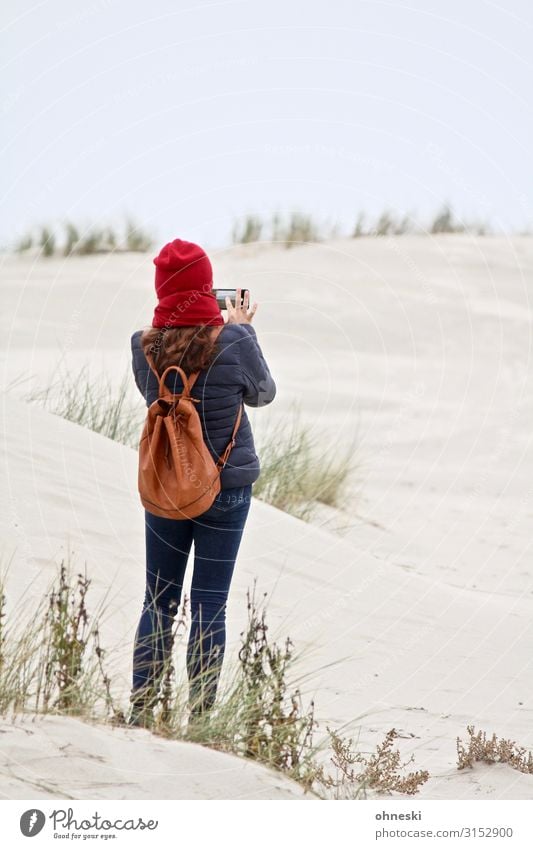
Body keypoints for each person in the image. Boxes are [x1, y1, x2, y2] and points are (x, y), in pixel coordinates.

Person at [128, 238, 276, 729]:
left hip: (167, 485)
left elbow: (156, 390)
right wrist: (244, 331)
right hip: (227, 489)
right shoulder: (233, 342)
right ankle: (202, 721)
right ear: (204, 288)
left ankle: (144, 711)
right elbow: (263, 394)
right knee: (209, 603)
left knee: (157, 601)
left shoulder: (143, 345)